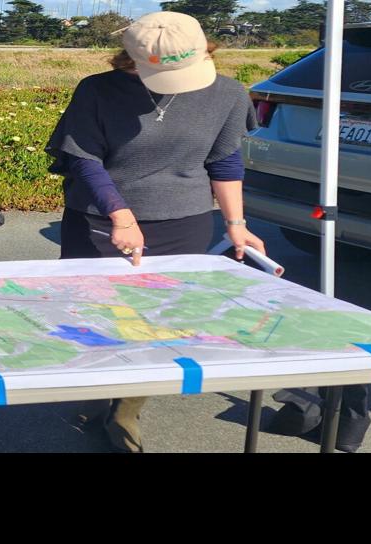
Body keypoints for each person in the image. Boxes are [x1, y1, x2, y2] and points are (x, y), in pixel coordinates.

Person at [45, 11, 263, 453]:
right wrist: (121, 216)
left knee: (161, 321)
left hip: (184, 220)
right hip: (98, 219)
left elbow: (224, 162)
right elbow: (85, 159)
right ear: (131, 58)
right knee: (96, 315)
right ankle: (95, 394)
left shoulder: (228, 93)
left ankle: (126, 410)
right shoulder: (97, 91)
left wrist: (236, 225)